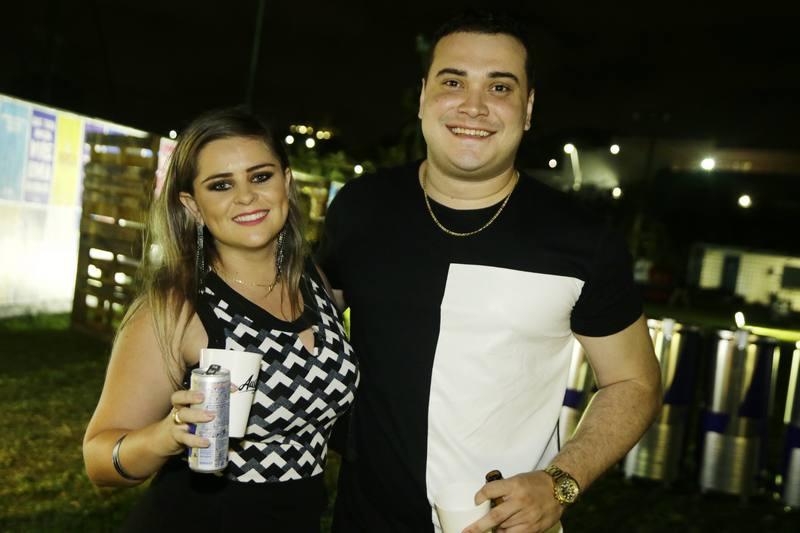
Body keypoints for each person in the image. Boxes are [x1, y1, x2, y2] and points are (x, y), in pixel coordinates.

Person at [320, 11, 661, 533]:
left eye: (499, 87)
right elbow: (295, 326)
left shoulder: (581, 239)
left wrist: (560, 482)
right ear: (423, 98)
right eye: (453, 81)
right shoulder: (360, 208)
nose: (473, 106)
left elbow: (633, 381)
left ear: (528, 109)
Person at [83, 108, 359, 532]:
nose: (245, 197)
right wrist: (167, 435)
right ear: (192, 206)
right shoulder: (177, 308)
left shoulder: (314, 281)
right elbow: (99, 460)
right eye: (221, 185)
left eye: (260, 177)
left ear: (286, 183)